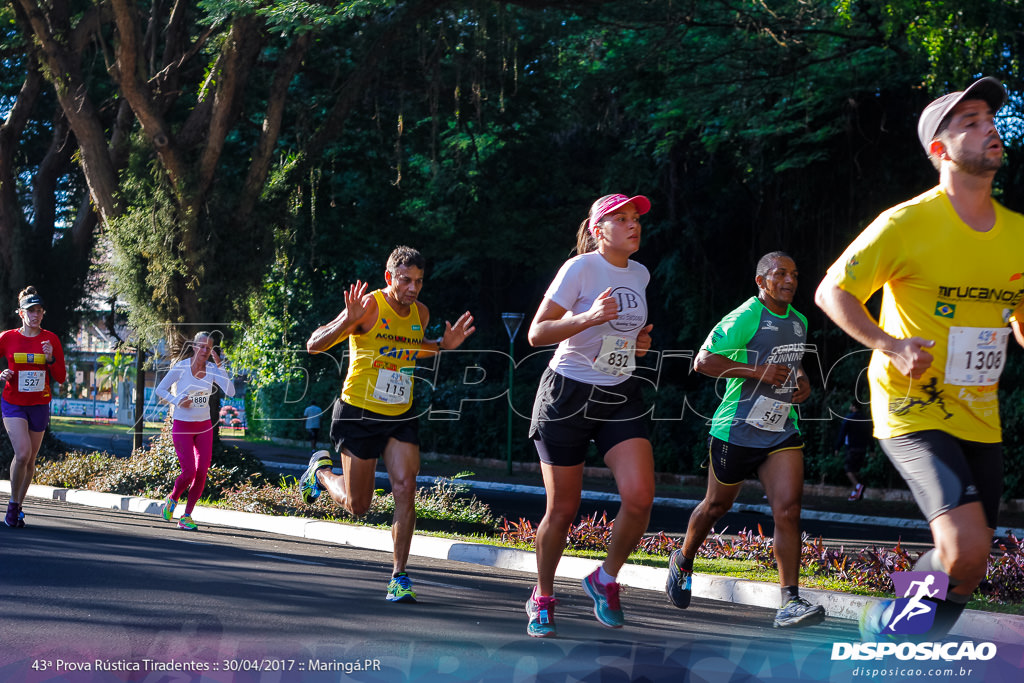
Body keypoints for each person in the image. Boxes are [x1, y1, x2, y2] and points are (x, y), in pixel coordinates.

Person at [816, 76, 1024, 642]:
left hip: (981, 414)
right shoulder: (906, 224)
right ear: (940, 150)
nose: (989, 129)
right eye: (970, 122)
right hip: (912, 406)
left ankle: (903, 642)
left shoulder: (1018, 236)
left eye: (990, 119)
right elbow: (832, 291)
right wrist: (890, 344)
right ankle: (886, 623)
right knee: (965, 545)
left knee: (970, 567)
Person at [301, 246, 475, 603]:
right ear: (389, 277)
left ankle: (399, 576)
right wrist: (345, 321)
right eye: (406, 280)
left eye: (419, 281)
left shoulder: (420, 312)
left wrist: (443, 345)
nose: (413, 288)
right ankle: (320, 472)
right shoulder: (368, 305)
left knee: (405, 486)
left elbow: (412, 346)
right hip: (359, 413)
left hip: (401, 413)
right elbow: (314, 345)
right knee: (357, 505)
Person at [666, 252, 826, 629]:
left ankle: (790, 601)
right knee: (716, 507)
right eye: (780, 273)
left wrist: (801, 380)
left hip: (780, 430)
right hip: (736, 429)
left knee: (788, 511)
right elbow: (704, 361)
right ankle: (684, 559)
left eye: (795, 273)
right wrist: (759, 372)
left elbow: (791, 361)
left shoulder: (800, 321)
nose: (790, 280)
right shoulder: (746, 316)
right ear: (761, 281)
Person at [524, 194, 656, 638]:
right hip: (567, 395)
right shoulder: (579, 268)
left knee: (639, 497)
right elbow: (537, 333)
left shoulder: (640, 273)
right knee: (562, 509)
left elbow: (622, 331)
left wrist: (637, 344)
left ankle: (605, 578)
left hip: (619, 393)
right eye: (620, 219)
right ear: (599, 229)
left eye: (635, 219)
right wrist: (589, 316)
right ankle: (542, 597)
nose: (632, 225)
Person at [154, 331, 235, 531]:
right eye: (202, 346)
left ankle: (187, 516)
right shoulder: (181, 368)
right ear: (194, 346)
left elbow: (231, 391)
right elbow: (160, 389)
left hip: (204, 426)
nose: (205, 351)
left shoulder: (212, 369)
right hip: (182, 426)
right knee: (189, 471)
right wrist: (178, 400)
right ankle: (173, 498)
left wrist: (220, 366)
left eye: (209, 348)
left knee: (201, 473)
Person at [0, 287, 67, 528]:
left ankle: (18, 504)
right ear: (21, 313)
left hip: (39, 405)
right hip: (13, 404)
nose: (35, 315)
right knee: (23, 453)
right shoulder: (7, 338)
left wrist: (50, 359)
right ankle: (11, 506)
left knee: (30, 460)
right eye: (31, 311)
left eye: (39, 311)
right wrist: (2, 373)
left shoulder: (51, 340)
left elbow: (60, 377)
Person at [834, 402, 873, 501]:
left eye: (851, 405)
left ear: (854, 407)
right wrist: (872, 449)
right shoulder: (866, 419)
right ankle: (856, 494)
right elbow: (870, 435)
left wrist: (837, 447)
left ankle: (858, 486)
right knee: (856, 471)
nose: (850, 407)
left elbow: (842, 434)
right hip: (862, 448)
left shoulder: (849, 418)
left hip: (852, 448)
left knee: (848, 470)